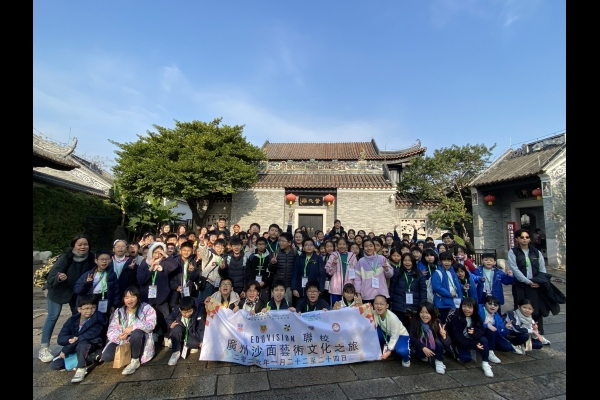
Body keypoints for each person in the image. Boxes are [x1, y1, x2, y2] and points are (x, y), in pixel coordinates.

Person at [39, 234, 96, 363]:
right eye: (79, 244)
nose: (83, 247)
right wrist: (59, 278)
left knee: (79, 316)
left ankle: (76, 343)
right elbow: (51, 276)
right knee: (53, 316)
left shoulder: (91, 257)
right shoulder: (66, 257)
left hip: (76, 291)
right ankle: (44, 347)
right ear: (73, 245)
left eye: (85, 244)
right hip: (58, 290)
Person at [48, 295, 106, 383]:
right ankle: (87, 359)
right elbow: (60, 338)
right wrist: (69, 339)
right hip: (73, 346)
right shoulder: (72, 320)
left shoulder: (98, 319)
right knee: (54, 365)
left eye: (93, 308)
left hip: (91, 344)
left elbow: (86, 336)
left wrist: (66, 350)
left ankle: (81, 368)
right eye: (86, 308)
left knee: (83, 344)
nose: (89, 311)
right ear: (79, 309)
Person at [102, 286, 157, 375]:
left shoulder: (147, 308)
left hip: (139, 339)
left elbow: (151, 324)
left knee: (136, 332)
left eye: (133, 297)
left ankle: (135, 359)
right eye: (127, 297)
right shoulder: (119, 311)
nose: (130, 300)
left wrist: (134, 326)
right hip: (123, 340)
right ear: (123, 299)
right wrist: (119, 336)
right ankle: (128, 356)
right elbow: (112, 329)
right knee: (106, 356)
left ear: (138, 297)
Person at [508, 229, 548, 334]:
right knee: (520, 307)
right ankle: (521, 332)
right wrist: (527, 281)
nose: (525, 239)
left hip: (535, 284)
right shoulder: (513, 252)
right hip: (520, 285)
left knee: (535, 308)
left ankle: (538, 332)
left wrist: (539, 281)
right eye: (522, 237)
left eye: (527, 237)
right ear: (517, 239)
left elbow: (542, 269)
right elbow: (515, 269)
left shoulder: (536, 252)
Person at [446, 297, 493, 377]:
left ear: (474, 308)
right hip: (459, 342)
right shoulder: (457, 317)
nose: (466, 309)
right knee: (465, 359)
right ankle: (452, 351)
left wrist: (475, 332)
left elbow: (481, 331)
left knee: (484, 339)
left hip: (471, 340)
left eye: (470, 307)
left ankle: (485, 363)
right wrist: (475, 343)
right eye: (464, 306)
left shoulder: (476, 317)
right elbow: (458, 337)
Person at [73, 250, 121, 317]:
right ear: (96, 261)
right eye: (102, 259)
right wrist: (86, 283)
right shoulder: (88, 274)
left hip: (105, 300)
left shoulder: (112, 274)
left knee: (103, 319)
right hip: (91, 300)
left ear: (110, 261)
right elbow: (77, 290)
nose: (104, 261)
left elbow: (116, 291)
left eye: (107, 259)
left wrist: (114, 305)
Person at [408, 301, 452, 374]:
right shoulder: (415, 322)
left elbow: (447, 344)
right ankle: (423, 356)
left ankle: (439, 361)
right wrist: (422, 347)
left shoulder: (437, 322)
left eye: (427, 312)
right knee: (420, 351)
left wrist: (444, 336)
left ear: (432, 313)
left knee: (438, 341)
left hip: (434, 348)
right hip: (421, 348)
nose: (424, 315)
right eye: (421, 312)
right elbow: (412, 337)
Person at [389, 253, 427, 328]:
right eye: (405, 260)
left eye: (409, 260)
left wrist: (422, 304)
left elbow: (423, 290)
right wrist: (391, 300)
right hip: (399, 305)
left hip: (414, 306)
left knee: (412, 327)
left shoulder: (419, 274)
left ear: (413, 261)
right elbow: (392, 287)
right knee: (399, 327)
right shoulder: (397, 271)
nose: (407, 263)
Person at [165, 296, 206, 366]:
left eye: (190, 311)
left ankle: (187, 344)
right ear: (180, 310)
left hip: (193, 333)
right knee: (176, 329)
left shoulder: (199, 311)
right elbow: (169, 318)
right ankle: (176, 352)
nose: (187, 314)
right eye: (184, 313)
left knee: (195, 343)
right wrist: (170, 325)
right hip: (181, 330)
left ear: (193, 308)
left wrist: (202, 340)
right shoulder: (176, 310)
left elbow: (202, 328)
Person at [478, 295, 520, 362]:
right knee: (490, 332)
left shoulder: (497, 316)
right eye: (490, 304)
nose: (492, 306)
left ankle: (492, 346)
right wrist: (487, 325)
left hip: (493, 336)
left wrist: (506, 328)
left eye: (495, 305)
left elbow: (501, 333)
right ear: (485, 304)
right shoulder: (479, 310)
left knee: (506, 347)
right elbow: (475, 324)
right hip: (479, 333)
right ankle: (490, 351)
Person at [373, 295, 411, 366]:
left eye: (381, 304)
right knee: (373, 331)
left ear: (387, 305)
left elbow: (395, 336)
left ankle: (406, 359)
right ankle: (387, 347)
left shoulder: (393, 318)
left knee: (402, 350)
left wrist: (389, 351)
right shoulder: (374, 313)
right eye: (376, 303)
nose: (379, 306)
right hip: (387, 334)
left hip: (401, 335)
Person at [354, 238, 394, 305]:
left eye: (371, 246)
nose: (368, 248)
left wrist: (386, 269)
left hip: (382, 294)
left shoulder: (382, 258)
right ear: (363, 248)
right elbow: (357, 279)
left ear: (374, 247)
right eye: (366, 246)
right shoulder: (361, 261)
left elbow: (390, 275)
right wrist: (358, 293)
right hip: (367, 296)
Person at [325, 237, 358, 305]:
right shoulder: (333, 255)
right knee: (335, 308)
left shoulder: (352, 256)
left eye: (343, 244)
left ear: (347, 245)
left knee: (348, 308)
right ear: (336, 246)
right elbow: (329, 272)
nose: (342, 246)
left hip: (349, 289)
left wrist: (355, 287)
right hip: (336, 289)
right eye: (339, 244)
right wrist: (333, 265)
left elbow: (356, 272)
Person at [431, 251, 462, 323]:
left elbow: (454, 285)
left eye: (449, 261)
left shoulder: (452, 271)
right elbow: (437, 287)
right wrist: (449, 294)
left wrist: (463, 287)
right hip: (442, 304)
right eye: (445, 260)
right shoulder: (437, 273)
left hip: (453, 302)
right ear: (440, 261)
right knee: (443, 324)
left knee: (452, 324)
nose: (447, 263)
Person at [196, 237, 229, 302]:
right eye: (218, 247)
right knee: (203, 303)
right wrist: (202, 243)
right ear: (213, 246)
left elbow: (223, 274)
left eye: (222, 248)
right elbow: (203, 252)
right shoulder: (210, 255)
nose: (220, 249)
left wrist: (223, 269)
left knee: (214, 305)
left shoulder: (223, 258)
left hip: (217, 286)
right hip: (207, 284)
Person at [169, 240, 199, 307]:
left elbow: (195, 278)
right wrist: (175, 286)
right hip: (176, 291)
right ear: (180, 251)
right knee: (175, 308)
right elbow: (169, 277)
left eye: (188, 250)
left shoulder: (193, 261)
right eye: (184, 250)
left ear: (192, 251)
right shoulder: (174, 261)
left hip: (188, 290)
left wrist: (191, 271)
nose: (186, 252)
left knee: (187, 307)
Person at [269, 232, 297, 305]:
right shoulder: (276, 253)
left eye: (283, 241)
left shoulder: (295, 253)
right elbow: (270, 270)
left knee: (287, 306)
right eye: (280, 241)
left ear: (289, 243)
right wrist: (273, 263)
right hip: (277, 285)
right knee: (274, 306)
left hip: (288, 286)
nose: (280, 243)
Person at [245, 237, 273, 303]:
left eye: (262, 244)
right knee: (253, 302)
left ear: (266, 245)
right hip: (253, 285)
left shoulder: (269, 257)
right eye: (259, 244)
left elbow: (270, 271)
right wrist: (253, 282)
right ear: (256, 245)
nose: (261, 246)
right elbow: (248, 270)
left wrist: (264, 281)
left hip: (265, 285)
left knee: (264, 302)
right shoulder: (252, 256)